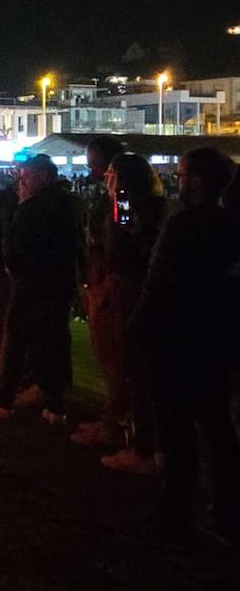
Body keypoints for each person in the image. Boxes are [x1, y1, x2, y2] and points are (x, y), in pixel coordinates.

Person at [128, 147, 240, 542]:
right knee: (216, 424)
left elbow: (159, 283)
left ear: (198, 181)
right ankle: (225, 509)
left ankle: (177, 514)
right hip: (214, 339)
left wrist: (140, 327)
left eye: (182, 174)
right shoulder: (229, 225)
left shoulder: (184, 225)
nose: (178, 180)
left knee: (176, 430)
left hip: (176, 338)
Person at [77, 153, 165, 473]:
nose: (106, 179)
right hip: (121, 280)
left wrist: (120, 201)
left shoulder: (129, 204)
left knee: (123, 356)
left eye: (112, 174)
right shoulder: (142, 204)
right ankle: (116, 421)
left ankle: (126, 430)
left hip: (127, 284)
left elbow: (129, 234)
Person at [0, 154, 80, 423]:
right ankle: (56, 403)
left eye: (26, 176)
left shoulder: (33, 207)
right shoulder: (68, 205)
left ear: (43, 176)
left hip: (32, 284)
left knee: (16, 339)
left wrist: (21, 206)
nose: (22, 182)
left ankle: (4, 399)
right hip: (59, 284)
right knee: (49, 342)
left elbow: (14, 246)